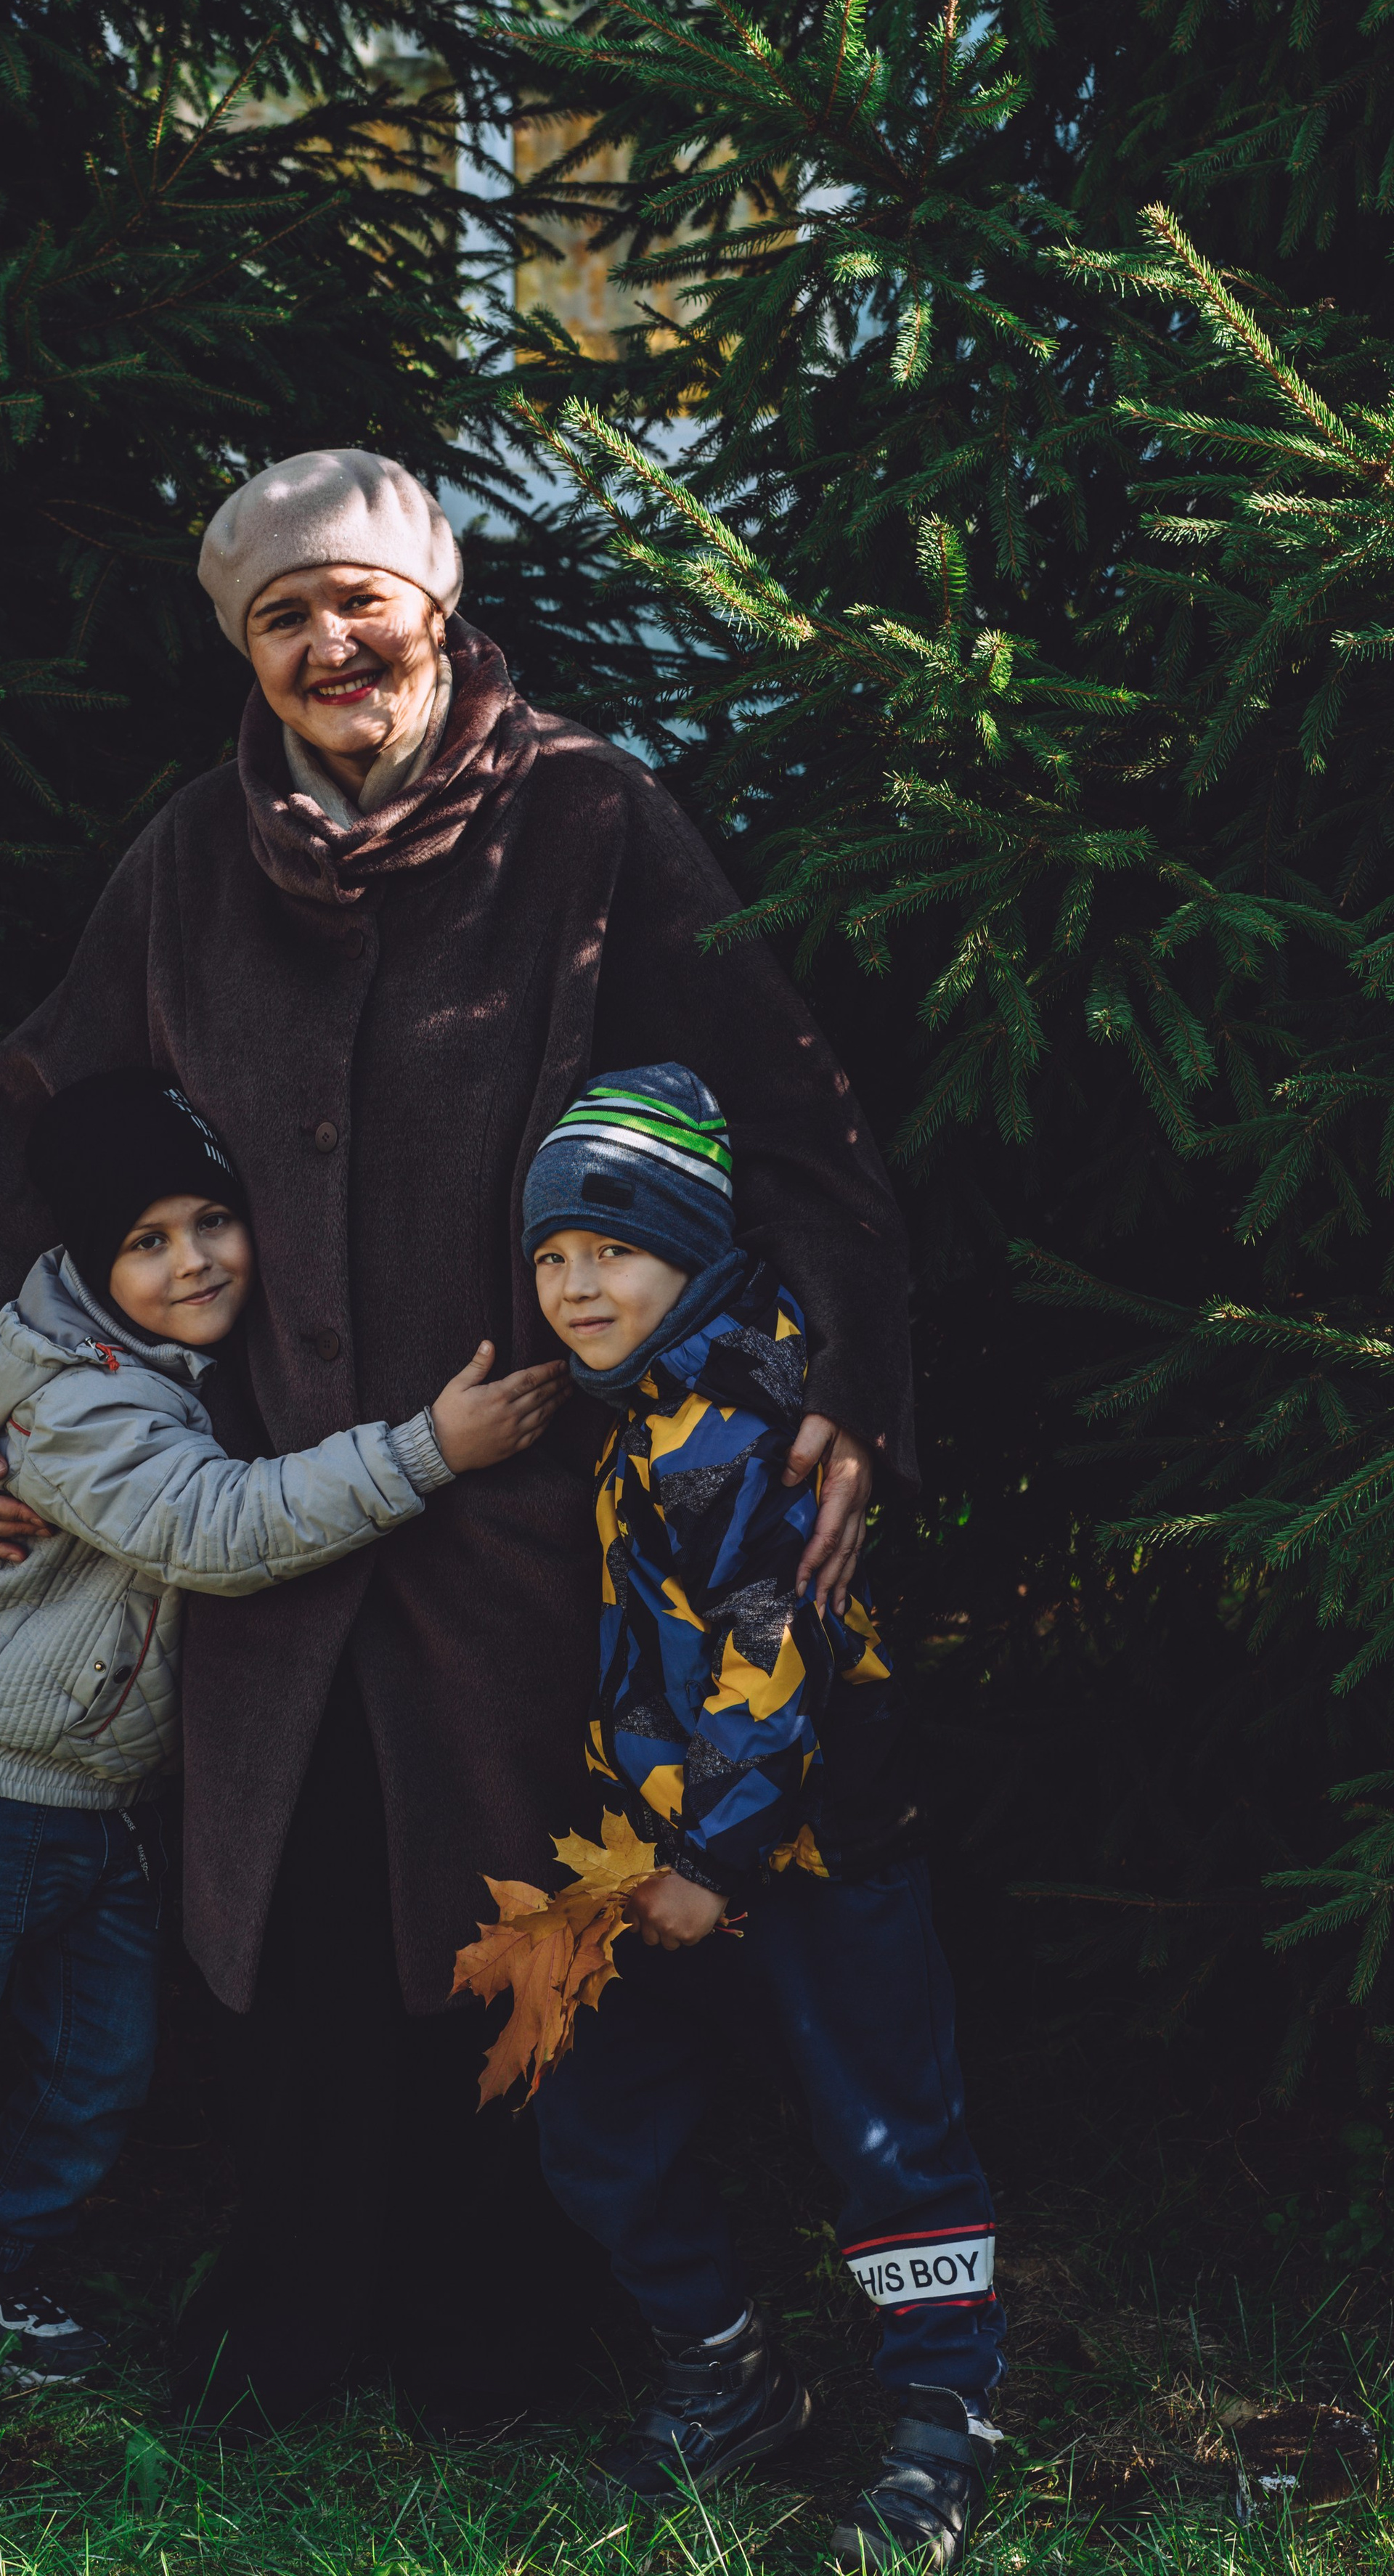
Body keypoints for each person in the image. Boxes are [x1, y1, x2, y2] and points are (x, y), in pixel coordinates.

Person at [0, 446, 920, 2424]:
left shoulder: (593, 818)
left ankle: (518, 2338)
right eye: (282, 615)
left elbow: (798, 1127)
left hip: (547, 1517)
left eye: (359, 599)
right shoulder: (196, 854)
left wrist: (848, 1398)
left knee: (514, 1919)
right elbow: (45, 1094)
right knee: (292, 1919)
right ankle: (298, 2321)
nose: (327, 641)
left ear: (437, 608)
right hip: (272, 1500)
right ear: (248, 655)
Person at [0, 1072, 562, 2447]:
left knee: (100, 2067)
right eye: (146, 1241)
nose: (194, 1260)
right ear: (92, 1262)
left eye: (211, 1218)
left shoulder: (184, 1354)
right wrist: (429, 1449)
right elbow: (216, 1527)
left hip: (110, 1797)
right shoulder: (68, 1392)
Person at [523, 1064, 1005, 2565]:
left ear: (695, 1246)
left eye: (613, 1249)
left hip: (808, 1856)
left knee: (883, 2134)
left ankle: (943, 2425)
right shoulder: (648, 1403)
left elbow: (766, 1656)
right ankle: (726, 2370)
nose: (575, 1284)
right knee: (593, 2100)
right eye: (549, 1257)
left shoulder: (741, 1420)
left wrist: (708, 1860)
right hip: (673, 1856)